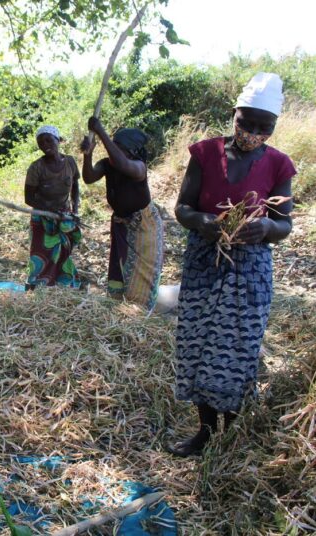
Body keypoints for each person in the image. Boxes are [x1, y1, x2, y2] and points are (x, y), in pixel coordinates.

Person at [171, 73, 296, 456]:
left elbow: (285, 224)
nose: (254, 133)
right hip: (204, 263)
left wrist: (266, 226)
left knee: (238, 350)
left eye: (265, 127)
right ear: (234, 114)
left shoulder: (279, 165)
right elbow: (182, 208)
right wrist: (201, 222)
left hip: (250, 270)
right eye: (247, 123)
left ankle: (233, 432)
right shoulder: (205, 154)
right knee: (197, 345)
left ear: (273, 126)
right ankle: (205, 432)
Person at [81, 118, 164, 310]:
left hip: (144, 226)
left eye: (119, 147)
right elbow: (88, 177)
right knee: (120, 269)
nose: (113, 151)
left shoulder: (138, 167)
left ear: (133, 151)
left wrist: (100, 131)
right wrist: (88, 154)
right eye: (113, 146)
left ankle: (137, 313)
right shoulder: (108, 164)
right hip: (121, 225)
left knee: (142, 274)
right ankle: (118, 309)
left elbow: (122, 163)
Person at [24, 125, 81, 289]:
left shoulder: (69, 162)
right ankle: (38, 284)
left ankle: (62, 282)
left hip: (64, 215)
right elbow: (28, 198)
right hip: (42, 217)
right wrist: (49, 210)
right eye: (40, 142)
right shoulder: (36, 168)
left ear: (58, 140)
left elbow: (75, 185)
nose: (45, 144)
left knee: (63, 251)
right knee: (42, 253)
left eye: (49, 140)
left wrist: (74, 210)